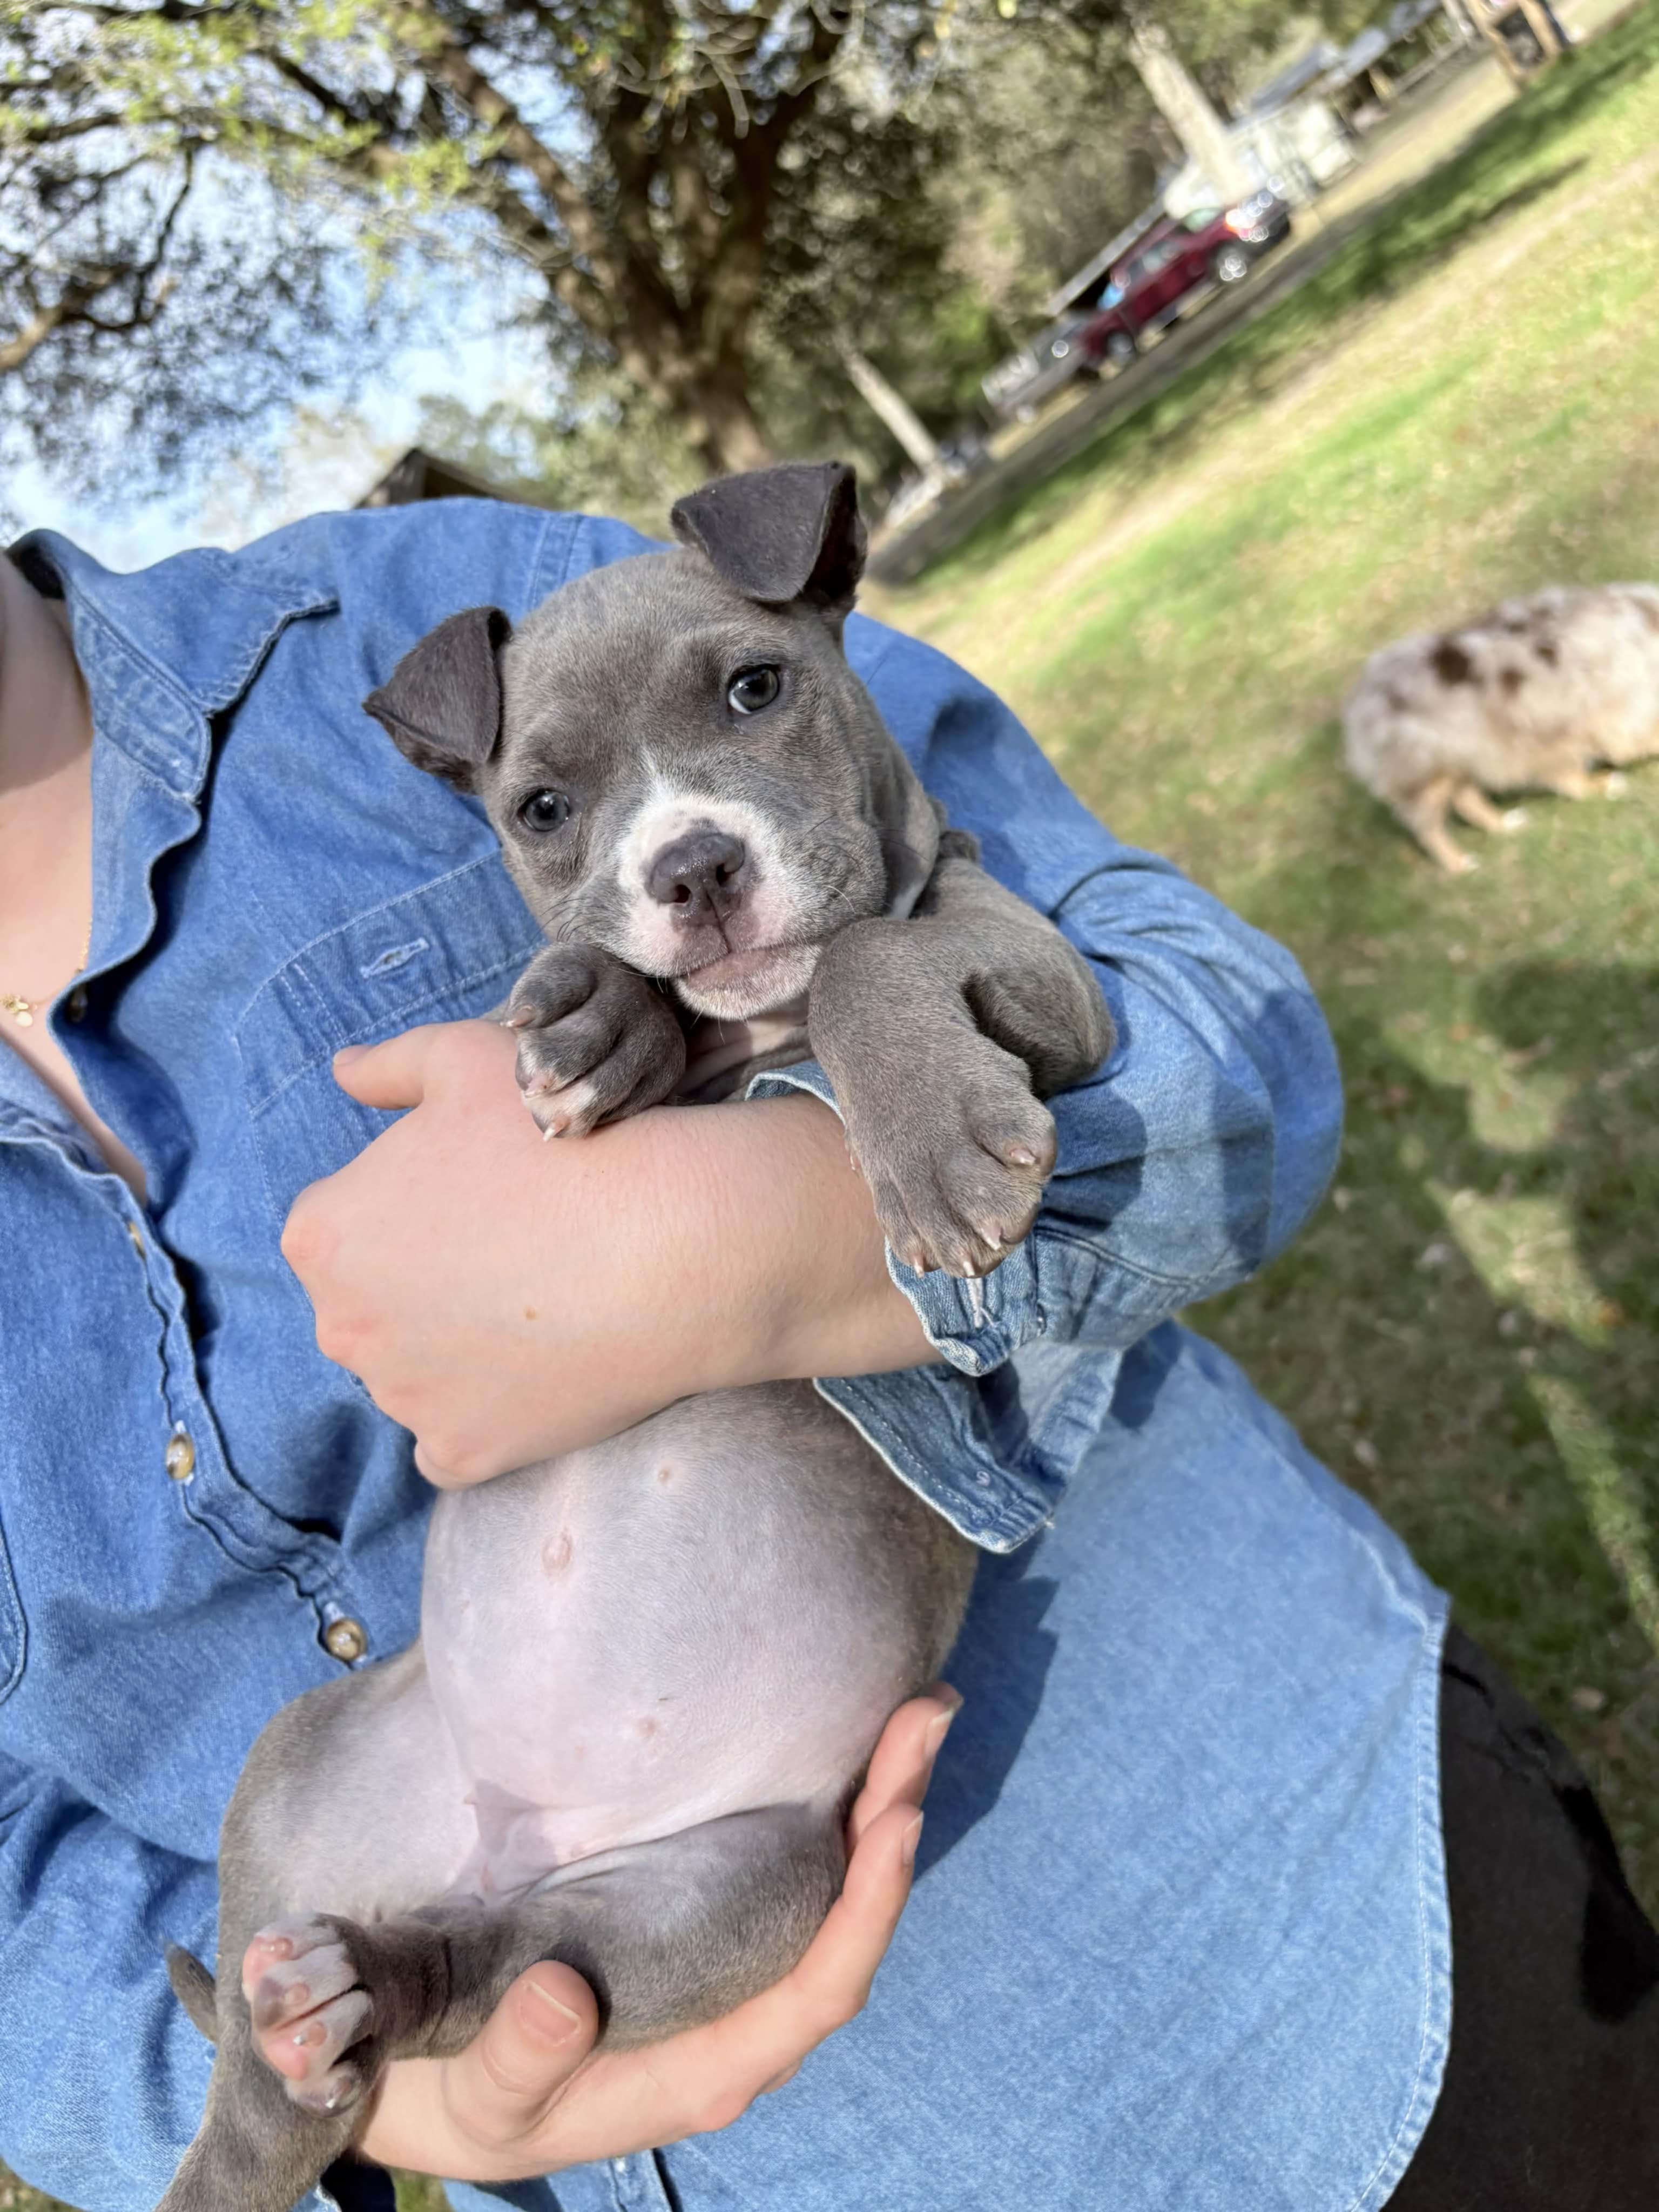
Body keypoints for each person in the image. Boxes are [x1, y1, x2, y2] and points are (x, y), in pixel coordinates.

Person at [0, 495, 1653, 2212]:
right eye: (557, 808)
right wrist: (397, 2103)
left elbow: (1216, 1046)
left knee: (755, 1885)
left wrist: (764, 1224)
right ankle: (291, 2108)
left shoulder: (459, 603)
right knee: (299, 1789)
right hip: (520, 1923)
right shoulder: (495, 744)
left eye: (747, 698)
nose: (682, 850)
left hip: (1266, 1945)